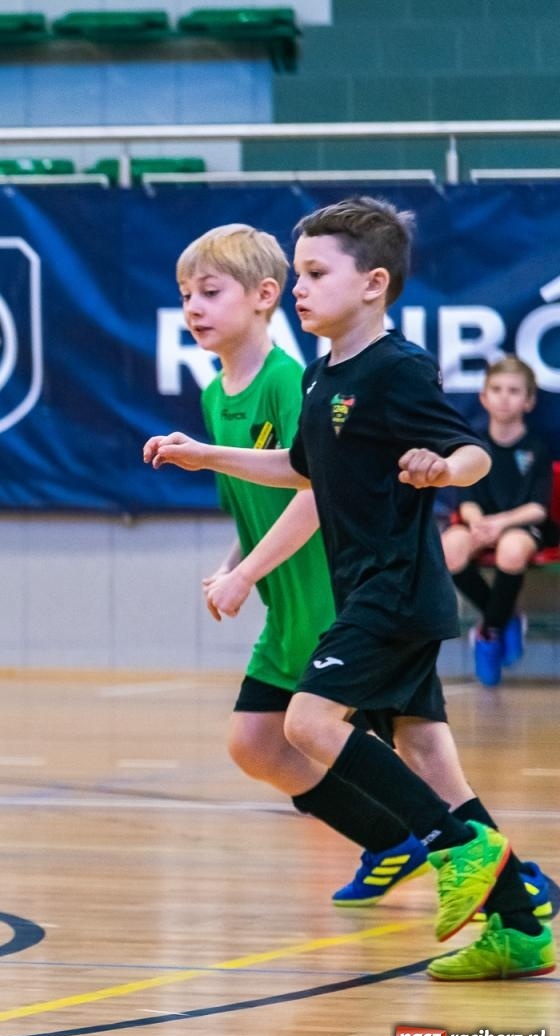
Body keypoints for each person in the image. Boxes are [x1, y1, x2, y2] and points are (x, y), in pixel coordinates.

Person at [145, 197, 554, 980]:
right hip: (375, 586)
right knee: (429, 754)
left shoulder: (396, 367)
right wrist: (209, 455)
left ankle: (451, 845)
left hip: (391, 589)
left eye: (314, 273)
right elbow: (302, 469)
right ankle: (519, 919)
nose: (298, 287)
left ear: (372, 283)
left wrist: (443, 469)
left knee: (306, 721)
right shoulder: (326, 373)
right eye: (296, 273)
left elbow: (466, 450)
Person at [173, 223, 429, 907]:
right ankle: (392, 838)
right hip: (284, 605)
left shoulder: (293, 383)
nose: (193, 307)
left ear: (264, 297)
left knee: (415, 748)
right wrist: (233, 563)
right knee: (255, 742)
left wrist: (246, 572)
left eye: (209, 291)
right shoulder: (213, 395)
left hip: (331, 596)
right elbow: (251, 503)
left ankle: (496, 871)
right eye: (185, 295)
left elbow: (317, 493)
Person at [442, 355, 557, 686]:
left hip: (522, 526)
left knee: (510, 549)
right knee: (451, 547)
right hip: (481, 522)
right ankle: (507, 617)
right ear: (483, 397)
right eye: (497, 389)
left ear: (529, 400)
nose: (504, 397)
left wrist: (499, 524)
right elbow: (466, 500)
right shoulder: (473, 444)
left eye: (513, 390)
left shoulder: (536, 447)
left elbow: (538, 508)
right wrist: (479, 524)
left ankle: (489, 631)